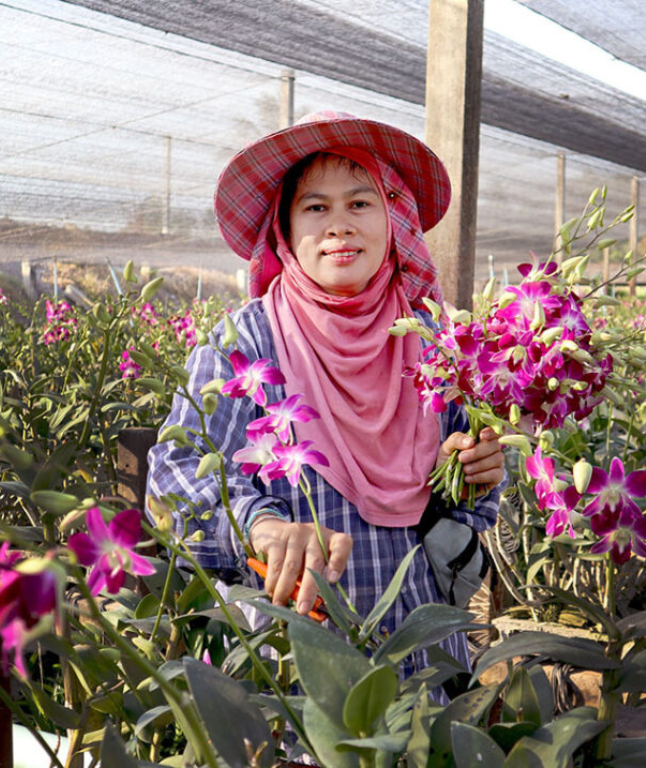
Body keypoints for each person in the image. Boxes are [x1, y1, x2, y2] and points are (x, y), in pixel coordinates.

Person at [146, 111, 504, 674]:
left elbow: (470, 509)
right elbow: (174, 481)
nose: (339, 225)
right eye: (316, 208)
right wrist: (260, 527)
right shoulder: (248, 341)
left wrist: (474, 470)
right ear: (286, 231)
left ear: (394, 220)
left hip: (426, 661)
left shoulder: (437, 345)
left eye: (360, 204)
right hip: (293, 667)